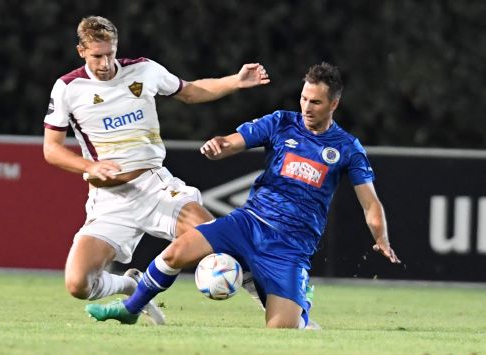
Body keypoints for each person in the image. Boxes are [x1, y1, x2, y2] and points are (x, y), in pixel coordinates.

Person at [86, 62, 401, 328]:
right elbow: (232, 141)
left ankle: (299, 303)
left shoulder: (346, 148)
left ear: (333, 104)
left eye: (315, 102)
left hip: (291, 246)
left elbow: (370, 202)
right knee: (175, 252)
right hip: (248, 223)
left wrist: (381, 237)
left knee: (282, 330)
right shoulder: (281, 123)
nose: (306, 107)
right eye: (304, 98)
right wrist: (217, 147)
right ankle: (130, 309)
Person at [43, 16, 270, 325]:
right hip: (109, 201)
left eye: (110, 53)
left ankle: (278, 308)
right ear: (81, 50)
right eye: (97, 55)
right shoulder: (68, 88)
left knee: (218, 241)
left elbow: (190, 91)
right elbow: (51, 149)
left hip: (155, 187)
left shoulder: (144, 70)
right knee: (78, 284)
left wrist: (236, 81)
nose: (106, 62)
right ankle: (131, 286)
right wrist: (90, 165)